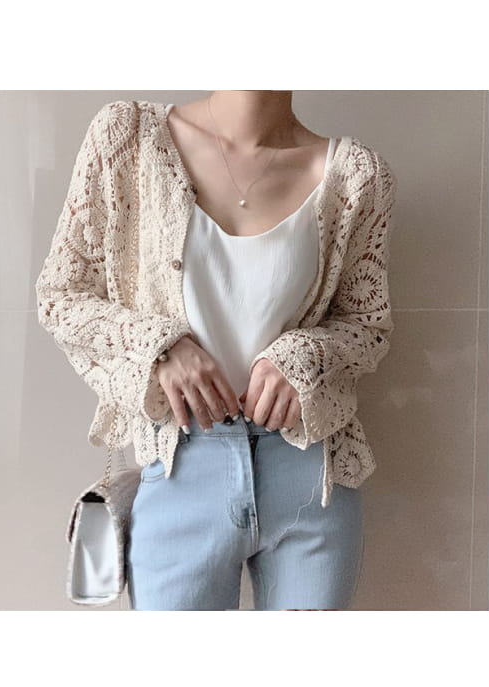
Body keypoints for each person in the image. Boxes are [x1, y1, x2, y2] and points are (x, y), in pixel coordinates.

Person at [35, 91, 396, 610]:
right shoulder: (128, 138)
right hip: (181, 466)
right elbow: (61, 297)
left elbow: (367, 325)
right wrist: (159, 349)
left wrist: (304, 356)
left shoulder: (357, 176)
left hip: (309, 480)